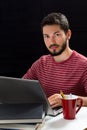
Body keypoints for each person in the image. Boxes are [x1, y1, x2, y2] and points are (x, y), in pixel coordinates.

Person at [23, 12, 87, 108]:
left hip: (73, 121)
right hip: (46, 120)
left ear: (68, 34)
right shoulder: (41, 63)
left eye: (56, 35)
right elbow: (21, 88)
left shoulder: (84, 64)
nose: (51, 42)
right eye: (46, 36)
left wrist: (67, 99)